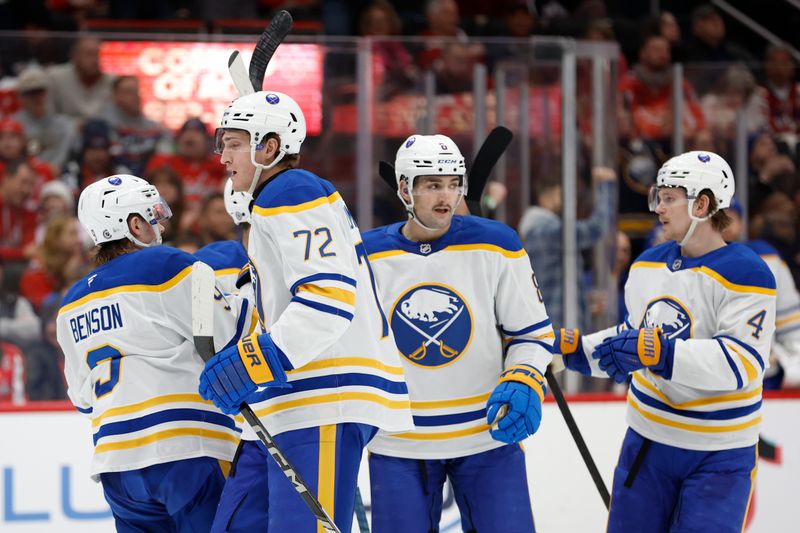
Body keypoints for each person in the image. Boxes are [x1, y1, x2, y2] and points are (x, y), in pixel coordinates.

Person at [200, 90, 414, 533]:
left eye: (235, 143)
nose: (222, 156)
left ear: (270, 146)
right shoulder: (271, 202)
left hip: (324, 397)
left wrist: (253, 361)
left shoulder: (291, 190)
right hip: (290, 401)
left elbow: (328, 300)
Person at [554, 151, 775, 532]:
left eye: (669, 198)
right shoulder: (647, 264)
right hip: (648, 443)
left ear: (702, 204)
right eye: (659, 196)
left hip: (719, 456)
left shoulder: (748, 273)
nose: (658, 208)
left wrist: (659, 352)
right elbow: (629, 339)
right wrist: (575, 350)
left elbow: (742, 363)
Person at [362, 134, 553, 532]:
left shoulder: (497, 243)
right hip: (399, 443)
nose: (446, 195)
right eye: (433, 185)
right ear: (404, 189)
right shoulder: (367, 255)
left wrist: (524, 376)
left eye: (453, 183)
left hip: (486, 436)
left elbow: (532, 335)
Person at [56, 174, 253, 532]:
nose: (159, 226)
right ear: (134, 225)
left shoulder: (69, 303)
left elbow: (81, 399)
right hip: (188, 446)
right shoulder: (167, 265)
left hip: (115, 462)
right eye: (152, 217)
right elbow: (233, 335)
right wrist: (248, 291)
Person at [722, 199, 800, 388]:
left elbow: (791, 326)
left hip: (763, 375)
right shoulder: (686, 260)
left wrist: (794, 368)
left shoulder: (767, 257)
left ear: (741, 223)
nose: (723, 222)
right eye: (717, 216)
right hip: (708, 376)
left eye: (731, 217)